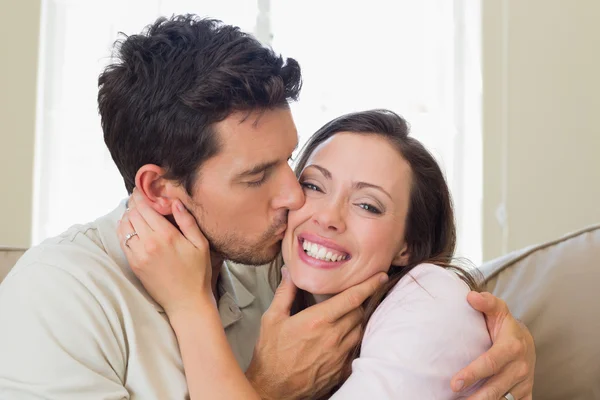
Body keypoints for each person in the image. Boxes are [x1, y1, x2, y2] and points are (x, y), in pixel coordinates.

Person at [0, 15, 534, 399]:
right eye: (257, 176)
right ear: (160, 189)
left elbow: (418, 306)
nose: (296, 197)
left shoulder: (277, 261)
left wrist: (499, 340)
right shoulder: (57, 299)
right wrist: (267, 388)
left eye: (289, 162)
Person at [120, 110, 533, 399]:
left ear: (408, 245)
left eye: (368, 205)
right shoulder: (264, 286)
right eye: (315, 186)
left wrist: (191, 306)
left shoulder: (432, 298)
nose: (329, 218)